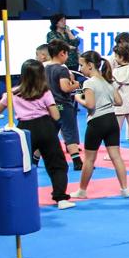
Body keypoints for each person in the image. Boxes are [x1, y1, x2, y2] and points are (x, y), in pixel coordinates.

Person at [0, 60, 72, 209]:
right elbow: (56, 116)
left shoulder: (13, 92)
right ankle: (61, 198)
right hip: (45, 127)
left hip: (25, 130)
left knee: (22, 165)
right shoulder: (45, 92)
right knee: (56, 164)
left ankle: (20, 198)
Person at [74, 50, 129, 199]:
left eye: (81, 65)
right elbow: (119, 101)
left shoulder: (88, 83)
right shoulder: (108, 81)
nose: (80, 69)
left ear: (90, 65)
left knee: (89, 159)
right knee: (116, 157)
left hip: (97, 122)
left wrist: (77, 98)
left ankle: (82, 190)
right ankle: (125, 188)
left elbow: (90, 104)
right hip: (111, 120)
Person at [44, 41, 83, 172]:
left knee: (49, 133)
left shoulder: (45, 68)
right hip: (63, 106)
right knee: (69, 132)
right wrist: (76, 85)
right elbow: (65, 88)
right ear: (62, 53)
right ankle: (77, 162)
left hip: (50, 106)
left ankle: (34, 159)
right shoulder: (61, 69)